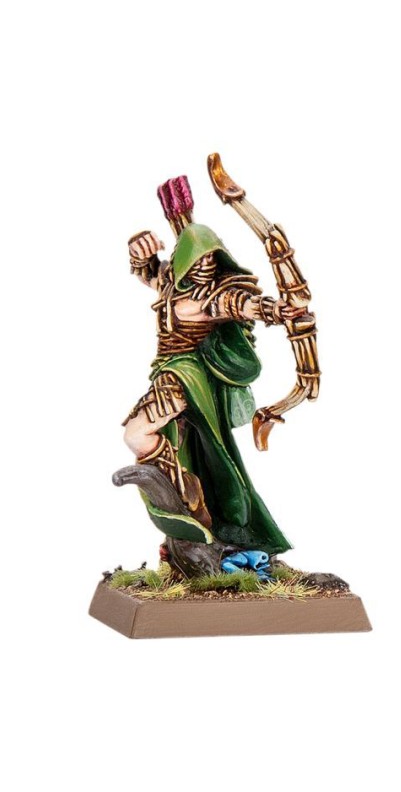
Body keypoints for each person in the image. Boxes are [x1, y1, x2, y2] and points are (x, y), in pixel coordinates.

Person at [122, 188, 303, 558]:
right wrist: (139, 248)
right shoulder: (171, 283)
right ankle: (191, 503)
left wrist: (277, 310)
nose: (205, 265)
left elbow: (239, 304)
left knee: (137, 434)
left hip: (185, 380)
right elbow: (148, 272)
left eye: (211, 258)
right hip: (168, 375)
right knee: (172, 443)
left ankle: (188, 498)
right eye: (198, 258)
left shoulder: (211, 298)